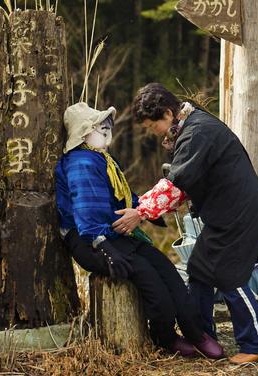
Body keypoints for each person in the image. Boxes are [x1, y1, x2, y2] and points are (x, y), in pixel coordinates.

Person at [113, 83, 258, 365]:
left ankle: (256, 343)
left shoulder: (197, 132)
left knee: (228, 276)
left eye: (153, 126)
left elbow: (177, 184)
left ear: (167, 113)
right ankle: (202, 336)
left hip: (239, 213)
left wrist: (140, 212)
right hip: (225, 213)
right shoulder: (190, 127)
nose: (155, 132)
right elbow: (184, 182)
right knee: (199, 270)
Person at [54, 102, 220, 358]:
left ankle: (196, 333)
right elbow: (87, 212)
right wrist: (105, 248)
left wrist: (145, 210)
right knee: (154, 286)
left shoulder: (102, 158)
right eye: (101, 129)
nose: (108, 134)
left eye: (108, 128)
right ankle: (165, 338)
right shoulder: (81, 163)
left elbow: (121, 196)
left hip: (118, 233)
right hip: (90, 240)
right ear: (83, 133)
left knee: (170, 275)